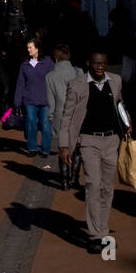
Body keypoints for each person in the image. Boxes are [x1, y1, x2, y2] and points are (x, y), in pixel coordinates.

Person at [59, 51, 129, 253]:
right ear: (89, 63)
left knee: (107, 188)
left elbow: (120, 105)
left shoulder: (115, 81)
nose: (100, 67)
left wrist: (127, 123)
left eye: (104, 64)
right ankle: (96, 234)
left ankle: (103, 229)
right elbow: (67, 117)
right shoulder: (77, 84)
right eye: (97, 63)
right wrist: (65, 145)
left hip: (111, 140)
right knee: (93, 184)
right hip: (88, 141)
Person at [46, 45, 83, 190]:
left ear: (56, 58)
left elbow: (51, 102)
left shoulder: (50, 76)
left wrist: (50, 118)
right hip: (78, 115)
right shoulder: (79, 72)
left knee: (63, 148)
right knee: (78, 148)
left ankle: (64, 180)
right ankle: (74, 176)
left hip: (60, 116)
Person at [12, 37, 54, 164]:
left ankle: (45, 149)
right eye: (28, 47)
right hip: (30, 99)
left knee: (46, 125)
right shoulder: (25, 65)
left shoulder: (48, 63)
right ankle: (32, 147)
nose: (28, 50)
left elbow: (53, 80)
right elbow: (20, 83)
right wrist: (17, 100)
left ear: (37, 48)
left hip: (45, 99)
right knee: (31, 122)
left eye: (31, 47)